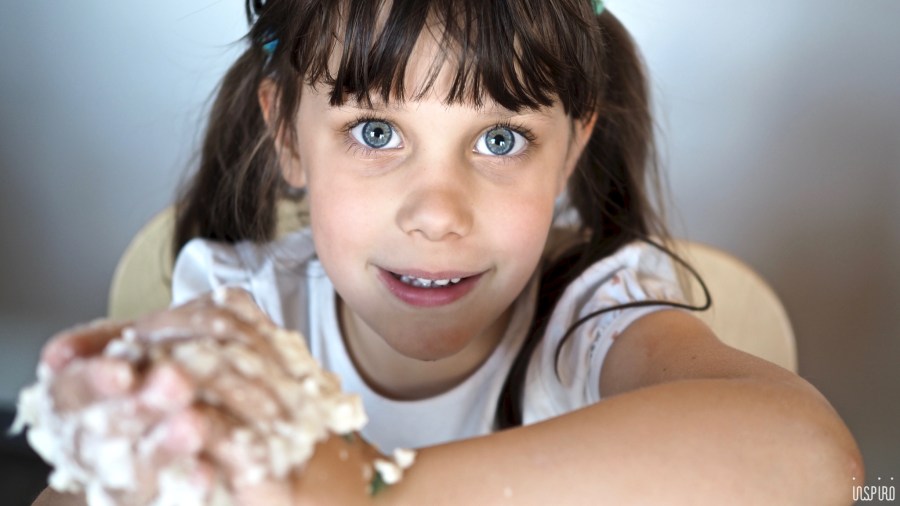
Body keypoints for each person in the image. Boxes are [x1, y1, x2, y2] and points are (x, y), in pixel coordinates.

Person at [35, 0, 863, 504]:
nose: (437, 214)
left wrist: (369, 490)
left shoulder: (595, 321)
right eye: (375, 132)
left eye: (501, 140)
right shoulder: (244, 313)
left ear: (570, 152)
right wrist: (111, 447)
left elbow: (816, 459)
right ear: (287, 133)